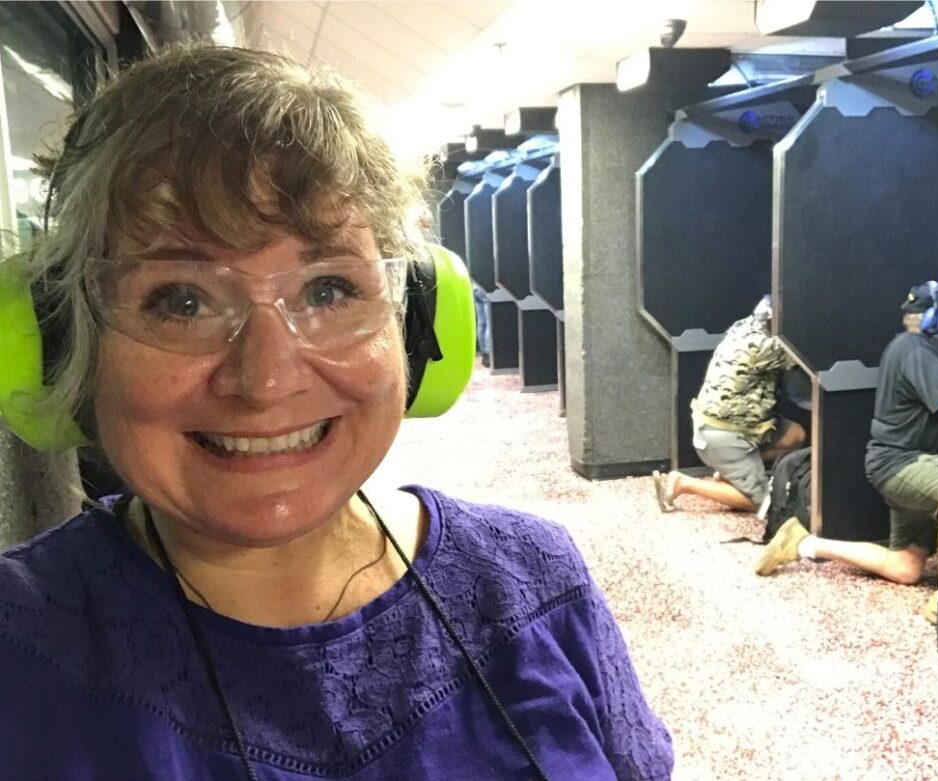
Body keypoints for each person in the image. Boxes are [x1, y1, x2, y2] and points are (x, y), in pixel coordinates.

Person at [0, 46, 672, 780]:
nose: (266, 379)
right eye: (182, 300)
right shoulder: (20, 644)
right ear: (65, 343)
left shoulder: (535, 580)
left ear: (415, 324)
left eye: (328, 290)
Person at [756, 282, 938, 624]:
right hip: (904, 463)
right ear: (933, 317)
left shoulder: (918, 348)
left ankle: (804, 543)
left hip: (908, 463)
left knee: (906, 567)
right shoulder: (913, 347)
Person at [652, 295, 805, 513]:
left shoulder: (743, 327)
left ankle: (732, 473)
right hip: (725, 435)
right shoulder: (768, 347)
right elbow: (809, 362)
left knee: (796, 435)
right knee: (762, 504)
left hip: (725, 427)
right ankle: (684, 483)